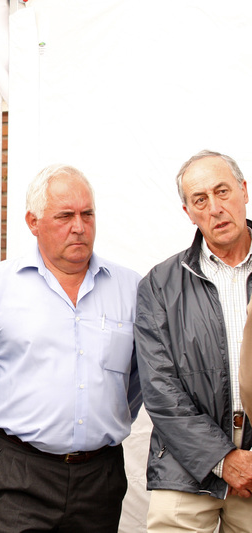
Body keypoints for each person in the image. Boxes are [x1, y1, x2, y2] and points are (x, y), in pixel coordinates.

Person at [0, 164, 141, 533]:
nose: (79, 227)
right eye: (65, 216)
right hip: (19, 472)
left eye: (87, 214)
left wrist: (103, 420)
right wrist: (2, 435)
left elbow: (137, 379)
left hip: (100, 476)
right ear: (33, 222)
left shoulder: (131, 289)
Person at [135, 149, 252, 531]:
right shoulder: (159, 285)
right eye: (200, 200)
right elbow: (159, 389)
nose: (215, 208)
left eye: (222, 192)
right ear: (188, 212)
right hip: (184, 467)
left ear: (244, 190)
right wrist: (221, 458)